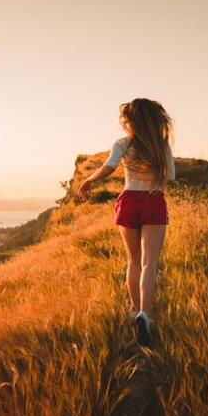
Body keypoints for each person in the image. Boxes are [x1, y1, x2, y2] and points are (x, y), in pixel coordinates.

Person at [77, 98, 175, 347]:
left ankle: (133, 310)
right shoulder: (160, 145)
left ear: (130, 121)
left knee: (133, 261)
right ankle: (145, 314)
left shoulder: (122, 143)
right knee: (149, 262)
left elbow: (109, 168)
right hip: (154, 199)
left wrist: (88, 180)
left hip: (129, 199)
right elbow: (171, 176)